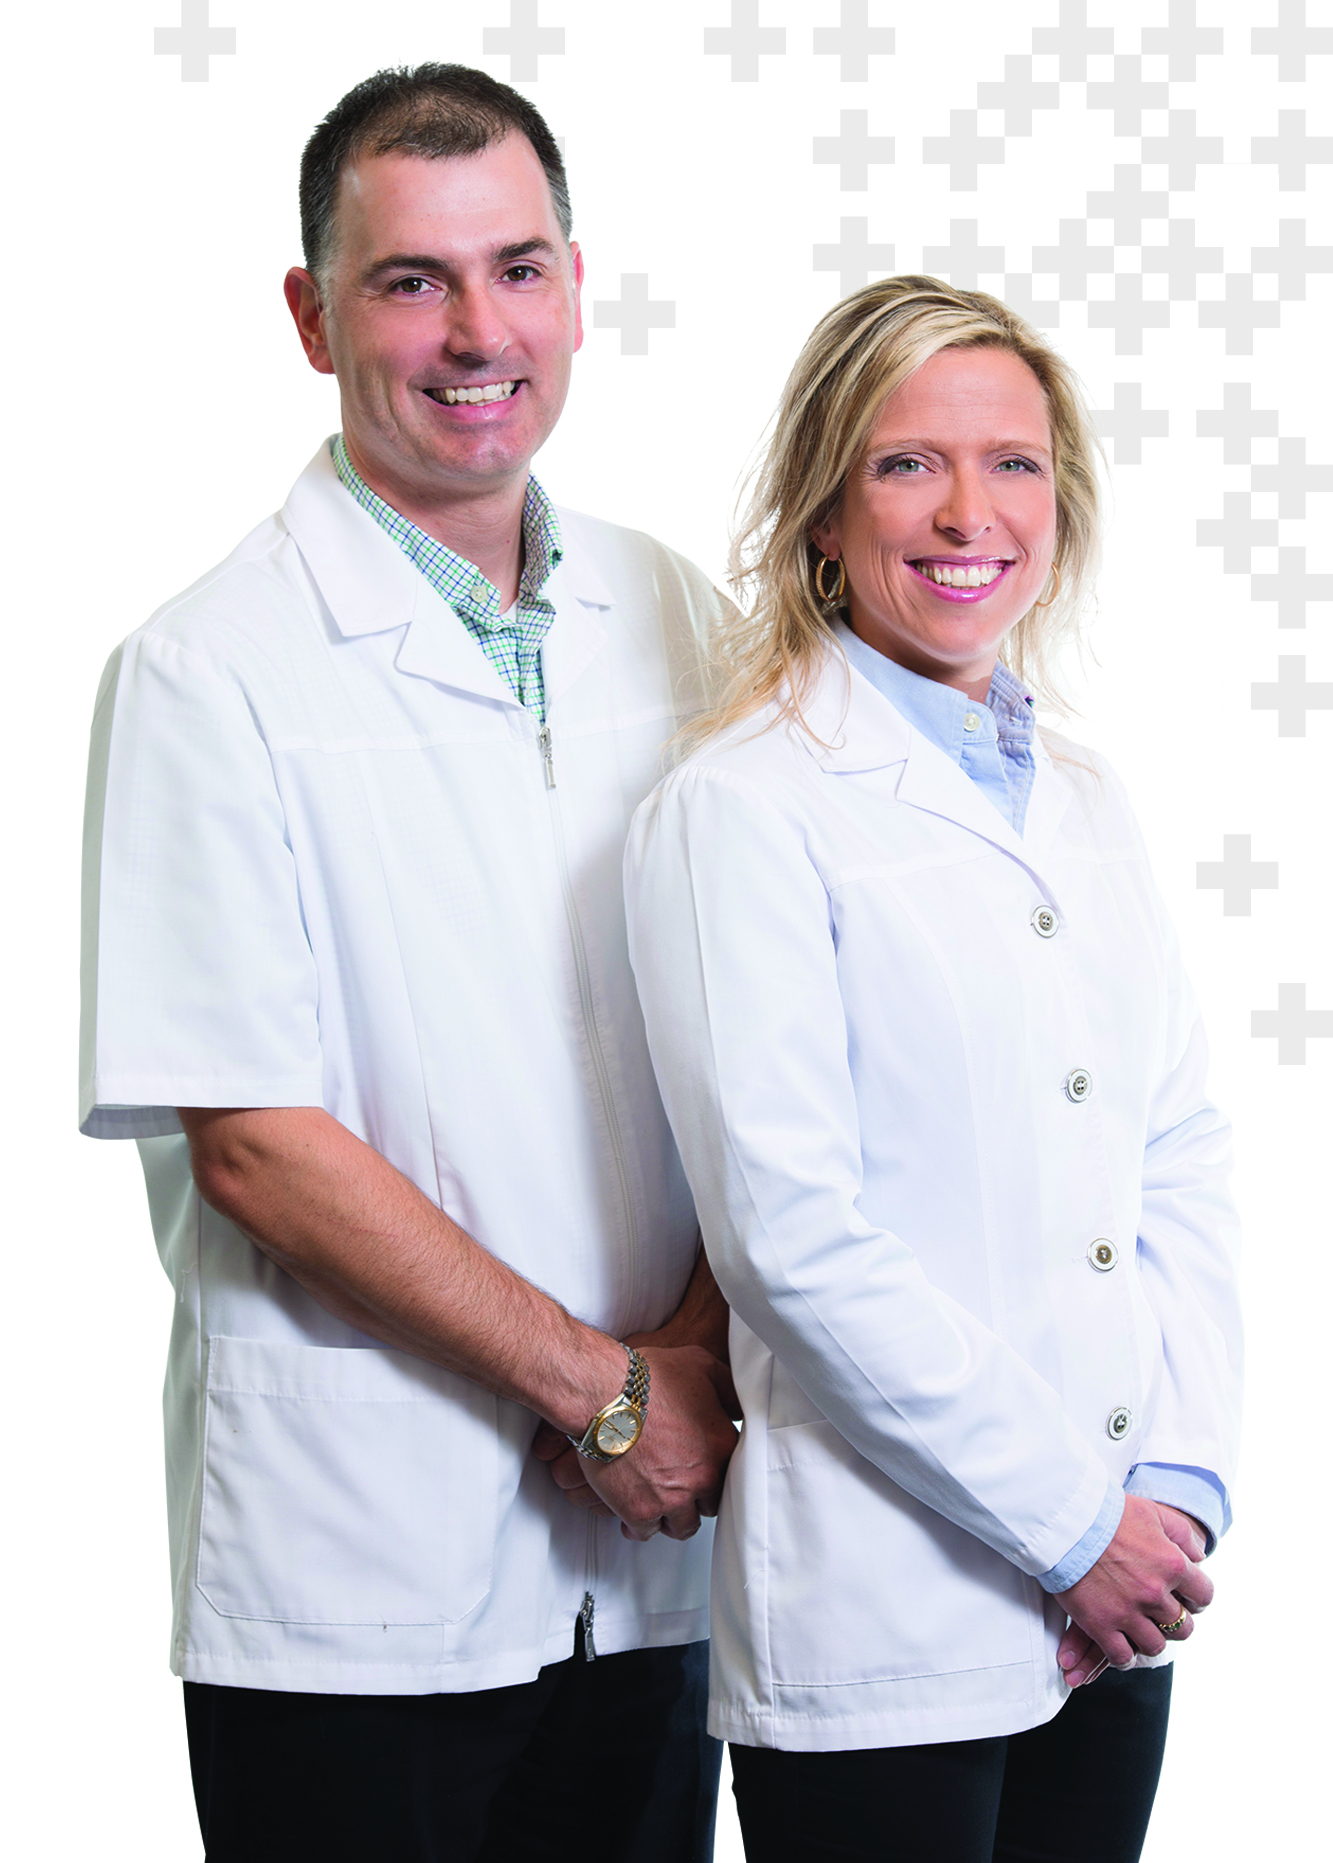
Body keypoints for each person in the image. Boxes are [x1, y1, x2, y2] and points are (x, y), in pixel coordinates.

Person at [79, 63, 739, 1863]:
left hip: (660, 1559)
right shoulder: (207, 673)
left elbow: (767, 1035)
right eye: (409, 281)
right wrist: (608, 1392)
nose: (476, 333)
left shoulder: (680, 615)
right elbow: (256, 1145)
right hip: (363, 1574)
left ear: (578, 289)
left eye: (517, 270)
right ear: (312, 318)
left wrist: (686, 1369)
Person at [623, 276, 1243, 1862]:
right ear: (826, 513)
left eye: (1013, 463)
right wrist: (1073, 1526)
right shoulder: (742, 807)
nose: (971, 513)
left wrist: (1171, 1488)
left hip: (1120, 1600)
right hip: (890, 1621)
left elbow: (1175, 1151)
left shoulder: (1087, 797)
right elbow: (790, 1239)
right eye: (908, 463)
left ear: (1062, 502)